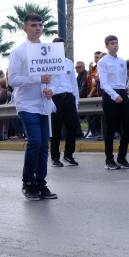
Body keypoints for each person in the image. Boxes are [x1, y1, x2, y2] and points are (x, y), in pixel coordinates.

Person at [7, 14, 57, 201]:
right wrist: (37, 79)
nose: (38, 28)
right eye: (33, 25)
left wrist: (52, 89)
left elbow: (56, 77)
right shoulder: (18, 52)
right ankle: (28, 183)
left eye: (40, 25)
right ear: (25, 29)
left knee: (44, 144)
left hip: (44, 104)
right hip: (27, 104)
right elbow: (12, 80)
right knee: (35, 141)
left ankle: (40, 184)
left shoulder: (48, 50)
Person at [98, 35, 129, 169]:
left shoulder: (122, 61)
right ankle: (109, 159)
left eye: (116, 43)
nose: (115, 45)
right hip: (110, 94)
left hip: (122, 92)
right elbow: (104, 83)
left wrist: (122, 92)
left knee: (128, 127)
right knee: (111, 128)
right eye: (112, 43)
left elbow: (124, 79)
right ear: (106, 46)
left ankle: (122, 157)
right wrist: (114, 95)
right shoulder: (103, 62)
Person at [48, 37, 80, 167]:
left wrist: (76, 101)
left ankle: (68, 155)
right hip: (55, 98)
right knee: (56, 129)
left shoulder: (69, 63)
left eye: (64, 46)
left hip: (69, 97)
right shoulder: (48, 63)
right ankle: (55, 157)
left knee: (72, 127)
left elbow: (73, 83)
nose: (62, 48)